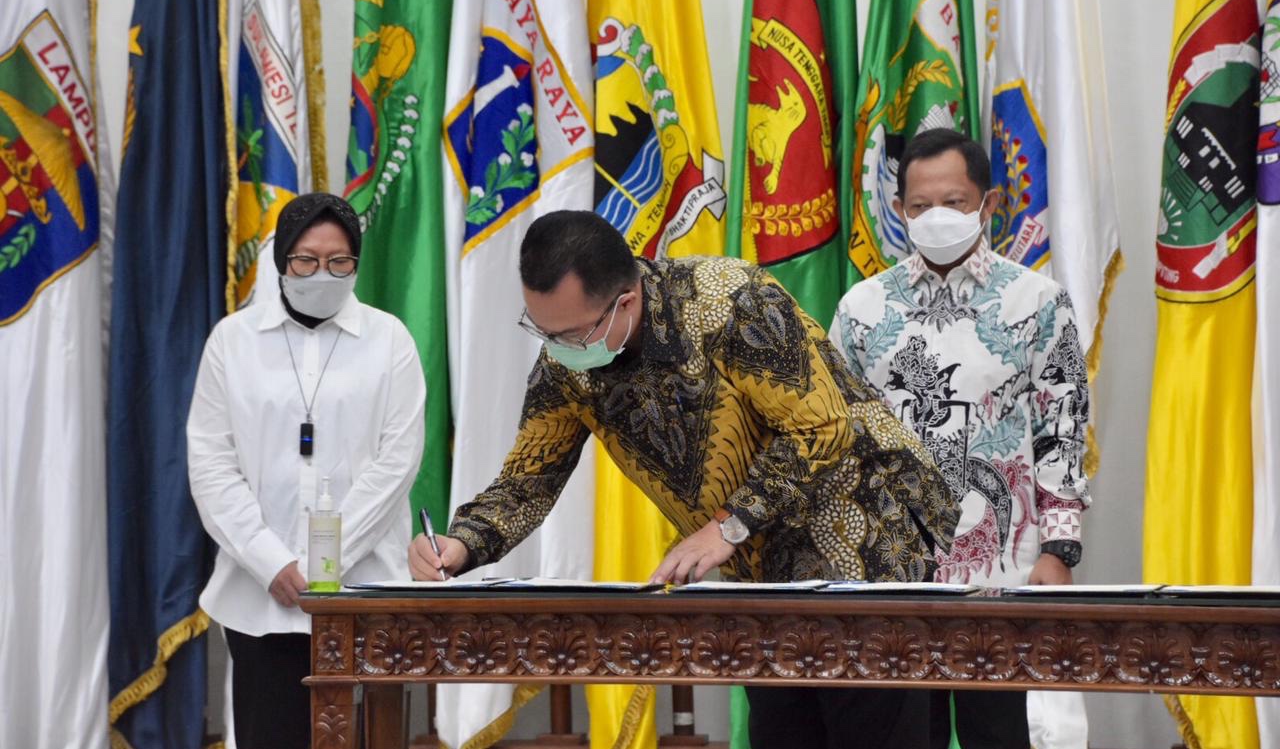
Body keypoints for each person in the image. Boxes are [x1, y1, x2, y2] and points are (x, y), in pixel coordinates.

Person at [409, 210, 960, 749]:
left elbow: (821, 429)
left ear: (626, 301)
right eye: (542, 330)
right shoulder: (567, 361)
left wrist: (727, 527)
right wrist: (463, 542)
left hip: (865, 547)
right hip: (765, 583)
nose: (559, 350)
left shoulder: (730, 300)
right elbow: (530, 476)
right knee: (784, 732)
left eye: (572, 333)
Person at [829, 128, 1092, 749]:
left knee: (1000, 736)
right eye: (920, 207)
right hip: (892, 580)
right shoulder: (861, 309)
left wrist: (1060, 550)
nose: (935, 218)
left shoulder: (1038, 303)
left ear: (989, 203)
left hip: (1005, 573)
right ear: (898, 211)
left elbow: (1064, 432)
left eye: (953, 202)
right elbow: (838, 440)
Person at [188, 193, 425, 749]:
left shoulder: (389, 341)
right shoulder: (233, 342)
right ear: (282, 262)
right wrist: (272, 561)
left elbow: (397, 461)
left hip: (365, 591)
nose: (323, 273)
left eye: (339, 261)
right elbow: (211, 464)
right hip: (262, 598)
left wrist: (326, 564)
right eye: (306, 260)